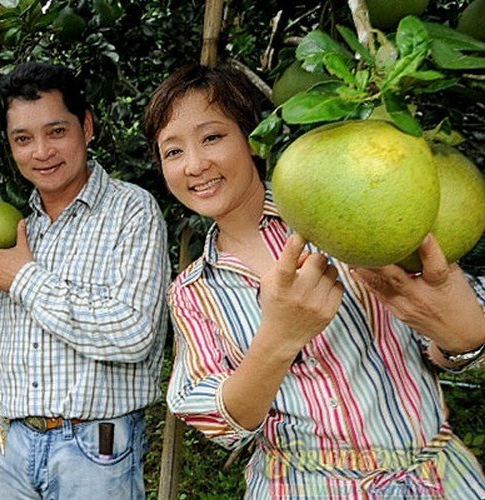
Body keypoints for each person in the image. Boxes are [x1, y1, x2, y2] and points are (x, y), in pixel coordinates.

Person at [142, 62, 485, 498]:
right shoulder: (193, 291)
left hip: (431, 481)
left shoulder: (351, 217)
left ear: (253, 138)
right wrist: (279, 337)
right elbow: (222, 421)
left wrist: (461, 337)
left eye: (212, 137)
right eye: (173, 151)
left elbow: (445, 336)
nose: (194, 164)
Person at [0, 61, 170, 499]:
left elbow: (133, 332)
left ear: (87, 127)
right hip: (13, 445)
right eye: (23, 139)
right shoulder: (21, 225)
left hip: (95, 449)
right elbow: (0, 331)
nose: (41, 152)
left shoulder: (130, 211)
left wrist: (25, 277)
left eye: (56, 131)